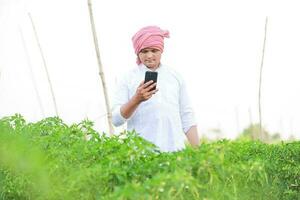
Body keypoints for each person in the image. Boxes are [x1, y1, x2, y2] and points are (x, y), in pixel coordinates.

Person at [112, 25, 199, 152]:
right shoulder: (128, 78)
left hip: (175, 153)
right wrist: (136, 99)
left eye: (154, 50)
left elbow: (187, 116)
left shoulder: (175, 77)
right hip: (141, 155)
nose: (149, 56)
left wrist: (200, 153)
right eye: (144, 51)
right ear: (137, 52)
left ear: (161, 50)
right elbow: (116, 119)